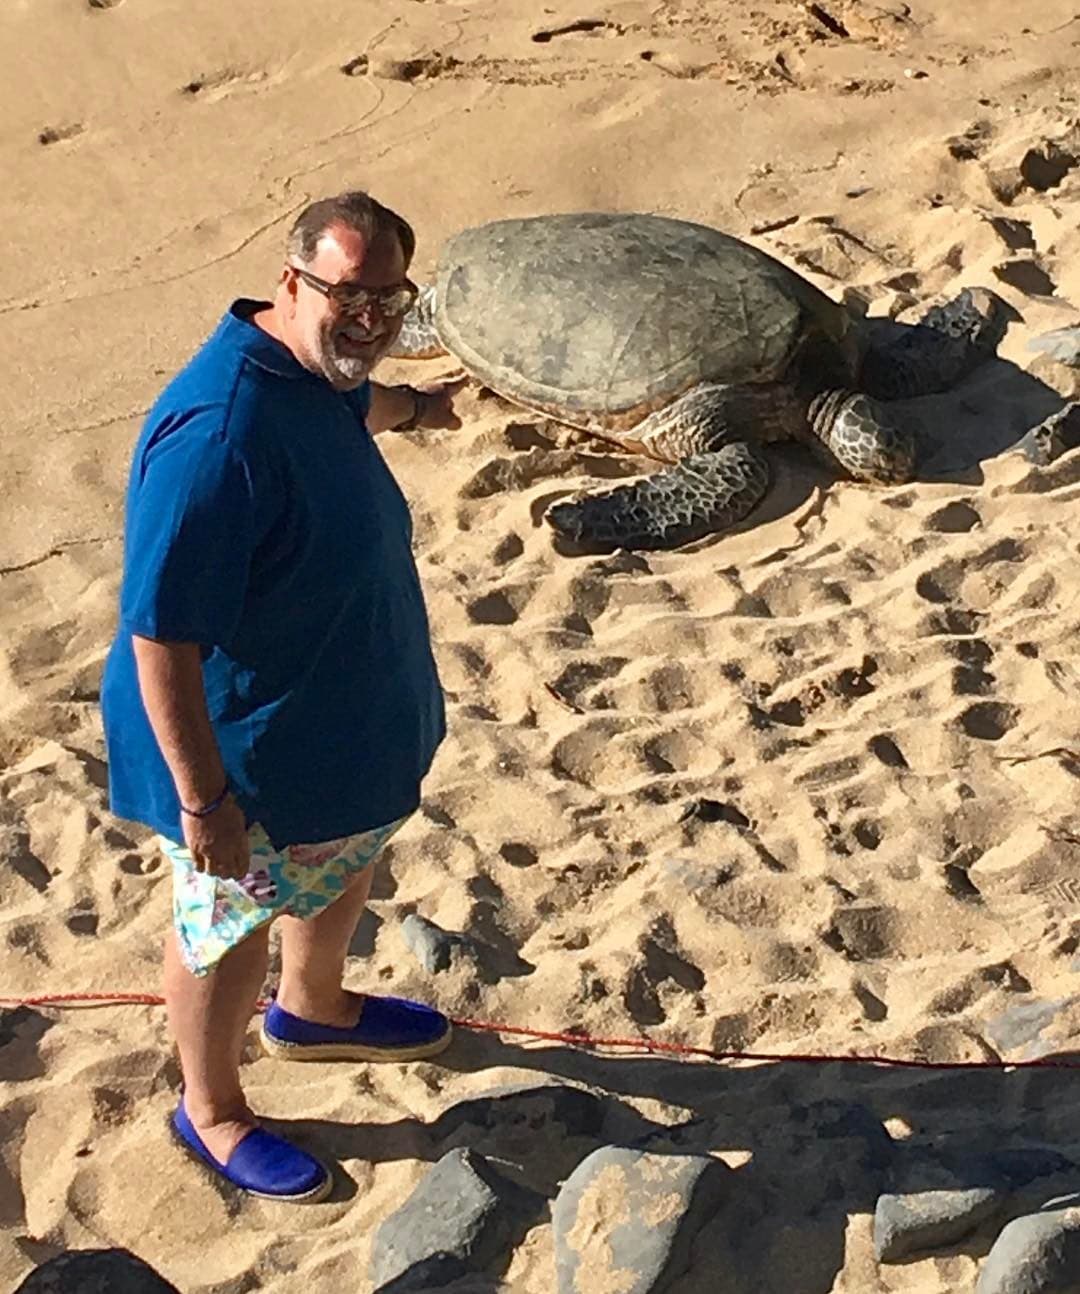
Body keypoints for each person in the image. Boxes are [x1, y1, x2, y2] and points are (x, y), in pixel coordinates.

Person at [101, 190, 462, 1203]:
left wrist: (419, 408)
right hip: (237, 752)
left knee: (346, 845)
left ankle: (312, 1007)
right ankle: (212, 1107)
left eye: (390, 299)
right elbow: (160, 634)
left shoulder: (316, 366)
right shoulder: (220, 436)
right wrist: (204, 801)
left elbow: (355, 400)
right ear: (291, 281)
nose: (370, 321)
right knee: (227, 923)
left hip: (334, 723)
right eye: (350, 295)